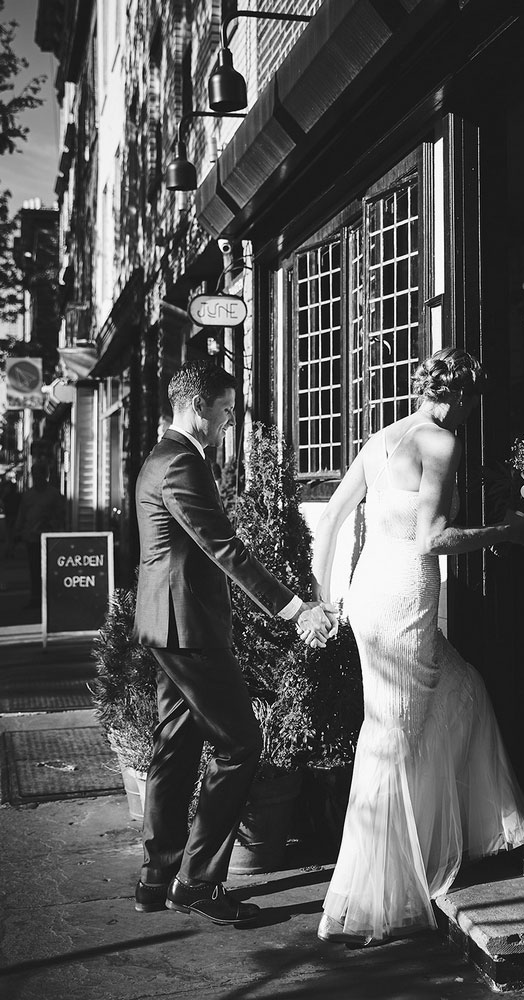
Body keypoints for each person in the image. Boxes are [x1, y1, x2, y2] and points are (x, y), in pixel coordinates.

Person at [306, 347, 524, 946]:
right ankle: (373, 900)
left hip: (366, 600)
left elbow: (330, 520)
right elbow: (431, 539)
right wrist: (503, 533)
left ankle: (449, 838)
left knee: (463, 690)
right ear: (458, 395)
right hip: (403, 605)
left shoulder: (382, 437)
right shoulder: (439, 441)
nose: (471, 411)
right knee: (394, 738)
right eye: (472, 399)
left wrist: (323, 600)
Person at [132, 361, 336, 926]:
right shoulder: (181, 462)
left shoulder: (159, 458)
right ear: (199, 407)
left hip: (167, 625)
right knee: (241, 743)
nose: (226, 425)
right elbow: (224, 549)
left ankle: (156, 878)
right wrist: (295, 609)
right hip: (188, 628)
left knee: (174, 749)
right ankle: (196, 883)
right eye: (224, 413)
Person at [13, 464, 65, 608]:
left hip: (49, 539)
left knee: (48, 570)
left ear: (45, 475)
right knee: (34, 569)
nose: (36, 478)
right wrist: (18, 532)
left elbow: (61, 515)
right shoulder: (28, 495)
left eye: (38, 474)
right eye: (34, 475)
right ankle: (35, 597)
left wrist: (52, 523)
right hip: (31, 538)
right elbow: (22, 515)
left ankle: (49, 598)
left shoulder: (53, 494)